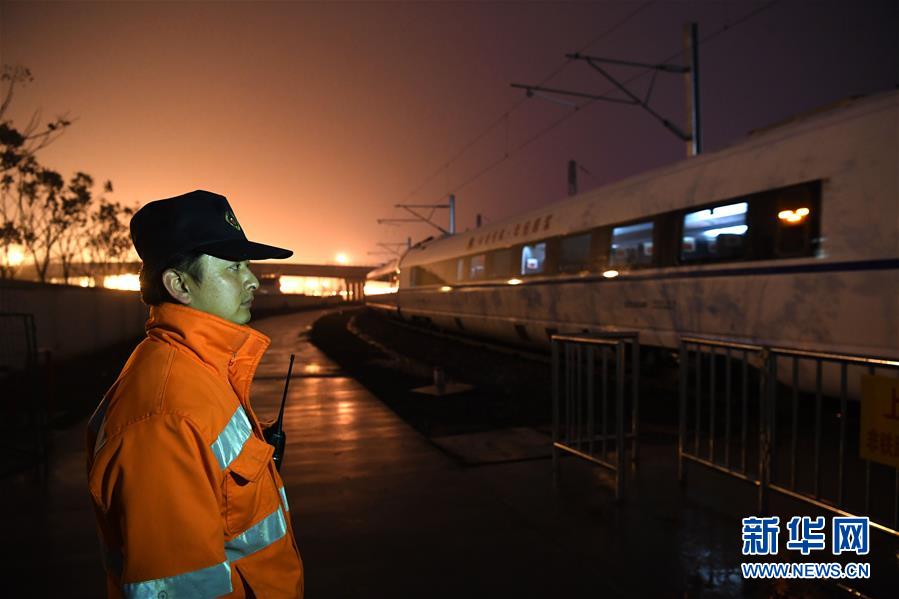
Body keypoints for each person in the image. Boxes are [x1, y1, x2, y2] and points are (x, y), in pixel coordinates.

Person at [86, 190, 304, 598]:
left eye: (247, 266)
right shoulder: (164, 419)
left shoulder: (199, 371)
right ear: (179, 284)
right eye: (234, 267)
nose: (253, 280)